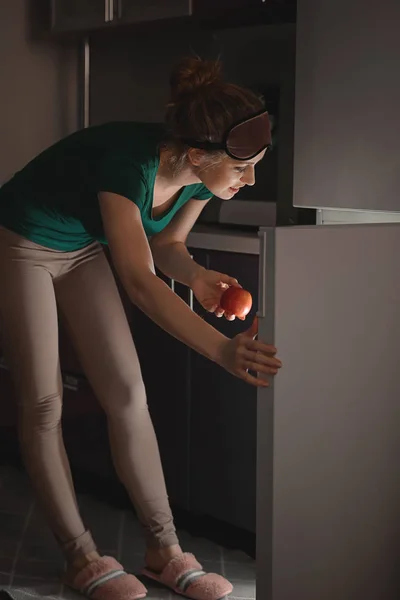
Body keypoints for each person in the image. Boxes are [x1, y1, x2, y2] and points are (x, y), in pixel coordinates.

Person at [0, 57, 282, 600]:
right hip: (21, 241)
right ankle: (80, 557)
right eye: (242, 167)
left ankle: (165, 551)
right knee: (43, 403)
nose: (250, 179)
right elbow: (139, 280)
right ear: (198, 153)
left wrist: (197, 276)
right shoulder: (129, 166)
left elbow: (165, 248)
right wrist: (222, 349)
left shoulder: (201, 176)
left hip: (79, 249)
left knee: (128, 393)